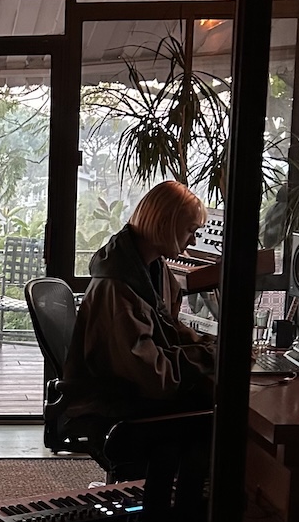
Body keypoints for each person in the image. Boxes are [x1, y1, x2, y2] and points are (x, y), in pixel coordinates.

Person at [57, 180, 216, 448]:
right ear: (165, 223)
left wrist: (212, 348)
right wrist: (207, 357)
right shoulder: (118, 287)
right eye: (190, 230)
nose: (194, 240)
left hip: (128, 391)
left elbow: (170, 330)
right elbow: (155, 377)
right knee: (218, 413)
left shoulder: (149, 268)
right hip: (115, 402)